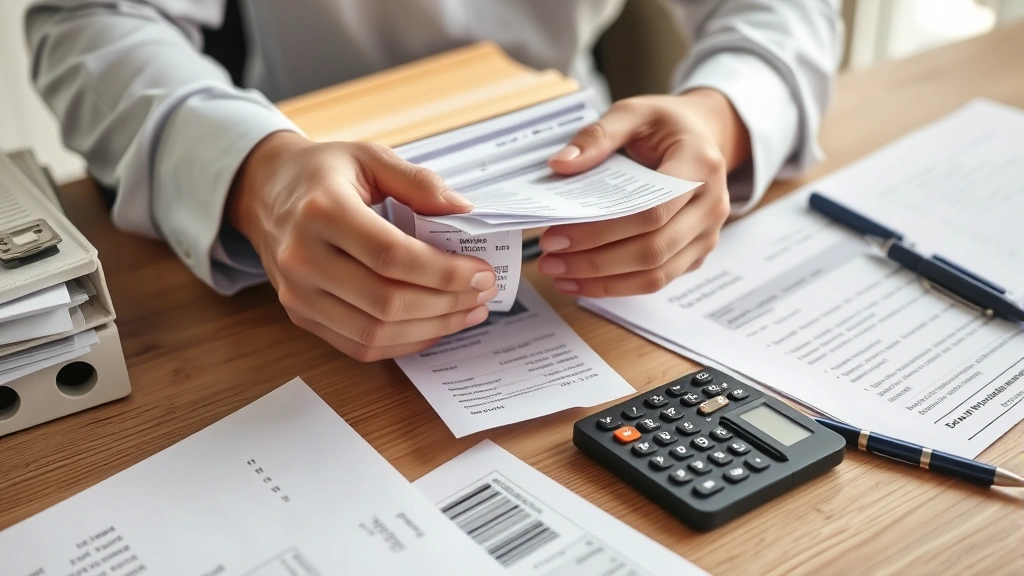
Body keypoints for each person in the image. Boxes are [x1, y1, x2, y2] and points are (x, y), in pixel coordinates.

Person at [26, 0, 843, 361]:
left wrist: (723, 115)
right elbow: (89, 20)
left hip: (586, 221)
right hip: (301, 233)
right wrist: (254, 178)